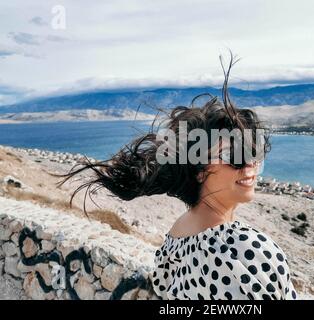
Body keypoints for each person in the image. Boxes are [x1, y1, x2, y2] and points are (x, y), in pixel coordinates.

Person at [55, 53, 297, 300]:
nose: (250, 165)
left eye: (253, 151)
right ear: (199, 170)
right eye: (234, 156)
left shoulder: (178, 235)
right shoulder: (249, 251)